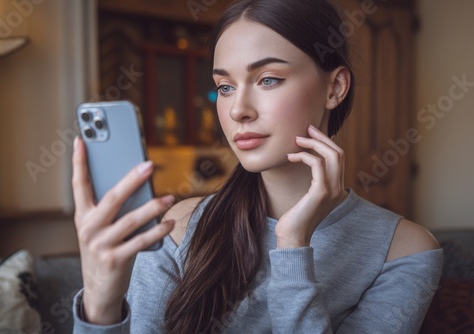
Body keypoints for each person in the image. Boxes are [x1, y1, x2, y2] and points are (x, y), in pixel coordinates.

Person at [72, 0, 443, 332]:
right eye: (225, 86)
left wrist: (293, 244)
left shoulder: (405, 251)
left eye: (268, 79)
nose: (237, 110)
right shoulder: (178, 230)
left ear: (335, 88)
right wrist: (100, 304)